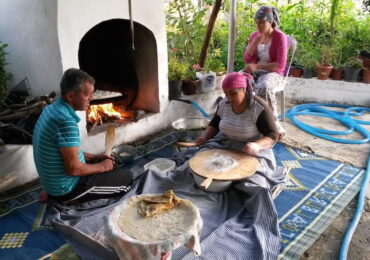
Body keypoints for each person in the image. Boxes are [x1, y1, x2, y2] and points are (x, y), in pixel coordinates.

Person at [33, 68, 133, 205]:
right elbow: (73, 169)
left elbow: (65, 153)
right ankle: (64, 198)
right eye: (87, 95)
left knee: (112, 167)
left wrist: (95, 158)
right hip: (68, 189)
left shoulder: (51, 109)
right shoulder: (65, 122)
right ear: (70, 96)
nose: (91, 99)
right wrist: (102, 167)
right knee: (127, 179)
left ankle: (53, 191)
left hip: (55, 183)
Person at [243, 6, 288, 138]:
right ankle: (247, 120)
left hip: (274, 74)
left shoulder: (280, 37)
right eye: (257, 23)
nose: (259, 26)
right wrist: (253, 43)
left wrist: (257, 67)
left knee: (264, 86)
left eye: (262, 22)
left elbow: (279, 65)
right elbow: (247, 59)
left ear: (270, 22)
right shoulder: (254, 35)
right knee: (238, 81)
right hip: (256, 71)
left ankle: (273, 123)